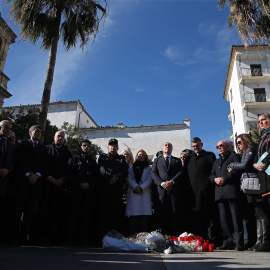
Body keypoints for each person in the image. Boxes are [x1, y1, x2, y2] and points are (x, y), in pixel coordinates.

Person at [228, 133, 267, 251]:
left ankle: (265, 240)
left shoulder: (250, 150)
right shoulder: (245, 152)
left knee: (261, 213)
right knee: (255, 214)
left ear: (245, 140)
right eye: (237, 143)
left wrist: (232, 164)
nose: (238, 145)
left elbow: (245, 165)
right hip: (249, 185)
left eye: (239, 142)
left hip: (254, 184)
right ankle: (259, 240)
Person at [12, 125, 47, 244]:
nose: (38, 134)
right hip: (22, 184)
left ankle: (24, 238)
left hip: (35, 186)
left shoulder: (43, 149)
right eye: (36, 132)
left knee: (29, 214)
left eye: (40, 132)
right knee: (17, 212)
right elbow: (18, 160)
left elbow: (44, 165)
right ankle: (13, 237)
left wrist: (36, 175)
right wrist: (27, 174)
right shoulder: (22, 144)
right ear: (30, 132)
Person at [210, 140, 244, 251]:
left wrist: (224, 179)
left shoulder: (234, 157)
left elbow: (236, 171)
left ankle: (239, 242)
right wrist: (215, 179)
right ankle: (228, 241)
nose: (219, 147)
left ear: (227, 146)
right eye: (217, 146)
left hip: (231, 191)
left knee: (236, 218)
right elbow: (211, 174)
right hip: (219, 193)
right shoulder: (216, 161)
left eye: (221, 145)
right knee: (223, 219)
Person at [66, 139, 100, 246]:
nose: (86, 147)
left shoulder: (92, 161)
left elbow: (96, 176)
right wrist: (78, 183)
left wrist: (89, 184)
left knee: (86, 218)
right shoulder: (73, 159)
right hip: (75, 193)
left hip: (88, 194)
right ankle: (70, 239)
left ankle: (84, 240)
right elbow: (69, 174)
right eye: (84, 145)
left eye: (87, 146)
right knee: (72, 217)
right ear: (80, 147)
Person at [187, 137, 220, 244]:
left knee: (209, 217)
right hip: (193, 194)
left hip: (207, 192)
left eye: (197, 146)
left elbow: (214, 171)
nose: (195, 148)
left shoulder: (209, 156)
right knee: (197, 218)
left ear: (201, 144)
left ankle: (212, 240)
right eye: (193, 146)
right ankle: (199, 239)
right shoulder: (190, 158)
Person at [42, 130, 72, 245]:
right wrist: (50, 178)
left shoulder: (67, 153)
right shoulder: (46, 149)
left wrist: (62, 179)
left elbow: (69, 169)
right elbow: (43, 166)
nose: (60, 138)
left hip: (60, 188)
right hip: (47, 186)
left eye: (62, 137)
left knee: (57, 214)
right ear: (54, 137)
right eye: (58, 136)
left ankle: (55, 238)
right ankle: (43, 237)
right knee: (45, 212)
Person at [98, 139, 129, 238]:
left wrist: (116, 178)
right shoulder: (103, 157)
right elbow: (101, 169)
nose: (113, 147)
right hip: (105, 189)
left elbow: (125, 172)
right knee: (103, 214)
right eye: (111, 145)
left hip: (117, 190)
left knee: (115, 214)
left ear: (118, 148)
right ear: (108, 147)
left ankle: (114, 237)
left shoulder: (121, 158)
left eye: (115, 145)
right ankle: (102, 237)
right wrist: (109, 178)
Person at [151, 142, 183, 235]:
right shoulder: (157, 160)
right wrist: (162, 183)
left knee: (173, 213)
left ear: (172, 148)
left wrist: (171, 182)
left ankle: (173, 235)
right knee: (162, 213)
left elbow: (180, 172)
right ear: (162, 148)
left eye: (169, 145)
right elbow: (154, 173)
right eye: (165, 145)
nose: (167, 146)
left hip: (173, 190)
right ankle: (163, 236)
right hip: (161, 191)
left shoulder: (177, 160)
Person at [252, 113, 270, 251]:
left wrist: (263, 163)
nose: (261, 123)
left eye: (263, 120)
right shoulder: (262, 138)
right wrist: (255, 165)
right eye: (259, 121)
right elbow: (257, 158)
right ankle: (265, 241)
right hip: (263, 178)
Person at [125, 150, 152, 234]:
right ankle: (133, 237)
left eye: (143, 155)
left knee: (144, 218)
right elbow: (128, 178)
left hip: (144, 194)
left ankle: (143, 238)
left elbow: (150, 179)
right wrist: (135, 186)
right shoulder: (131, 168)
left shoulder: (149, 168)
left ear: (145, 157)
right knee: (133, 218)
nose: (141, 156)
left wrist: (141, 187)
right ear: (136, 156)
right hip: (133, 193)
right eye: (139, 155)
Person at [0, 120, 15, 243]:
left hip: (5, 180)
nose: (8, 130)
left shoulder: (10, 144)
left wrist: (7, 169)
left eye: (10, 128)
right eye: (6, 127)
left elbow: (12, 160)